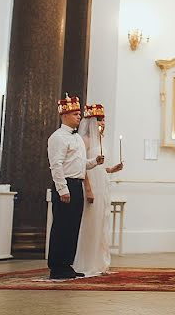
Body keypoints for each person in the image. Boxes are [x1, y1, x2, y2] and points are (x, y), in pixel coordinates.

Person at [47, 94, 104, 279]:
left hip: (77, 183)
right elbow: (56, 165)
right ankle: (56, 266)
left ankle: (67, 264)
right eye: (75, 114)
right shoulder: (58, 137)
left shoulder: (77, 138)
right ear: (64, 115)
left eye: (79, 114)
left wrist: (94, 161)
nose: (79, 117)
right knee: (61, 227)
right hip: (66, 185)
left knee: (72, 227)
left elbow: (80, 163)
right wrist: (62, 189)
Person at [73, 104, 123, 276]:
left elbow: (100, 166)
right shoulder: (84, 140)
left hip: (102, 184)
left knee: (102, 222)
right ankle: (87, 262)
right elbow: (83, 166)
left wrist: (112, 169)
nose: (103, 123)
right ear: (92, 122)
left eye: (104, 120)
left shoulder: (101, 140)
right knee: (90, 222)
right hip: (91, 185)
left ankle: (100, 261)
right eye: (100, 120)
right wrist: (88, 189)